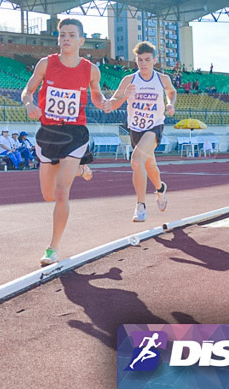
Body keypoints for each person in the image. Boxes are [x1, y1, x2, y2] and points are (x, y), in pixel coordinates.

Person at [21, 18, 108, 266]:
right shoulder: (46, 64)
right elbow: (27, 91)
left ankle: (53, 247)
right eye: (62, 35)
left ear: (81, 40)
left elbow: (96, 93)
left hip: (75, 134)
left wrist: (104, 102)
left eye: (71, 35)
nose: (66, 39)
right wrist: (29, 103)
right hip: (48, 133)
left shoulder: (91, 69)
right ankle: (80, 168)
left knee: (61, 192)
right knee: (48, 194)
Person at [107, 41, 176, 223]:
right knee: (149, 165)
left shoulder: (162, 79)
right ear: (136, 61)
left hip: (154, 127)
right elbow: (113, 104)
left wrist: (170, 104)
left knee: (137, 161)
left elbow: (172, 91)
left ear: (154, 60)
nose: (143, 64)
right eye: (140, 60)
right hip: (136, 129)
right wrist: (124, 96)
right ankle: (160, 190)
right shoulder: (129, 80)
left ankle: (140, 206)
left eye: (147, 60)